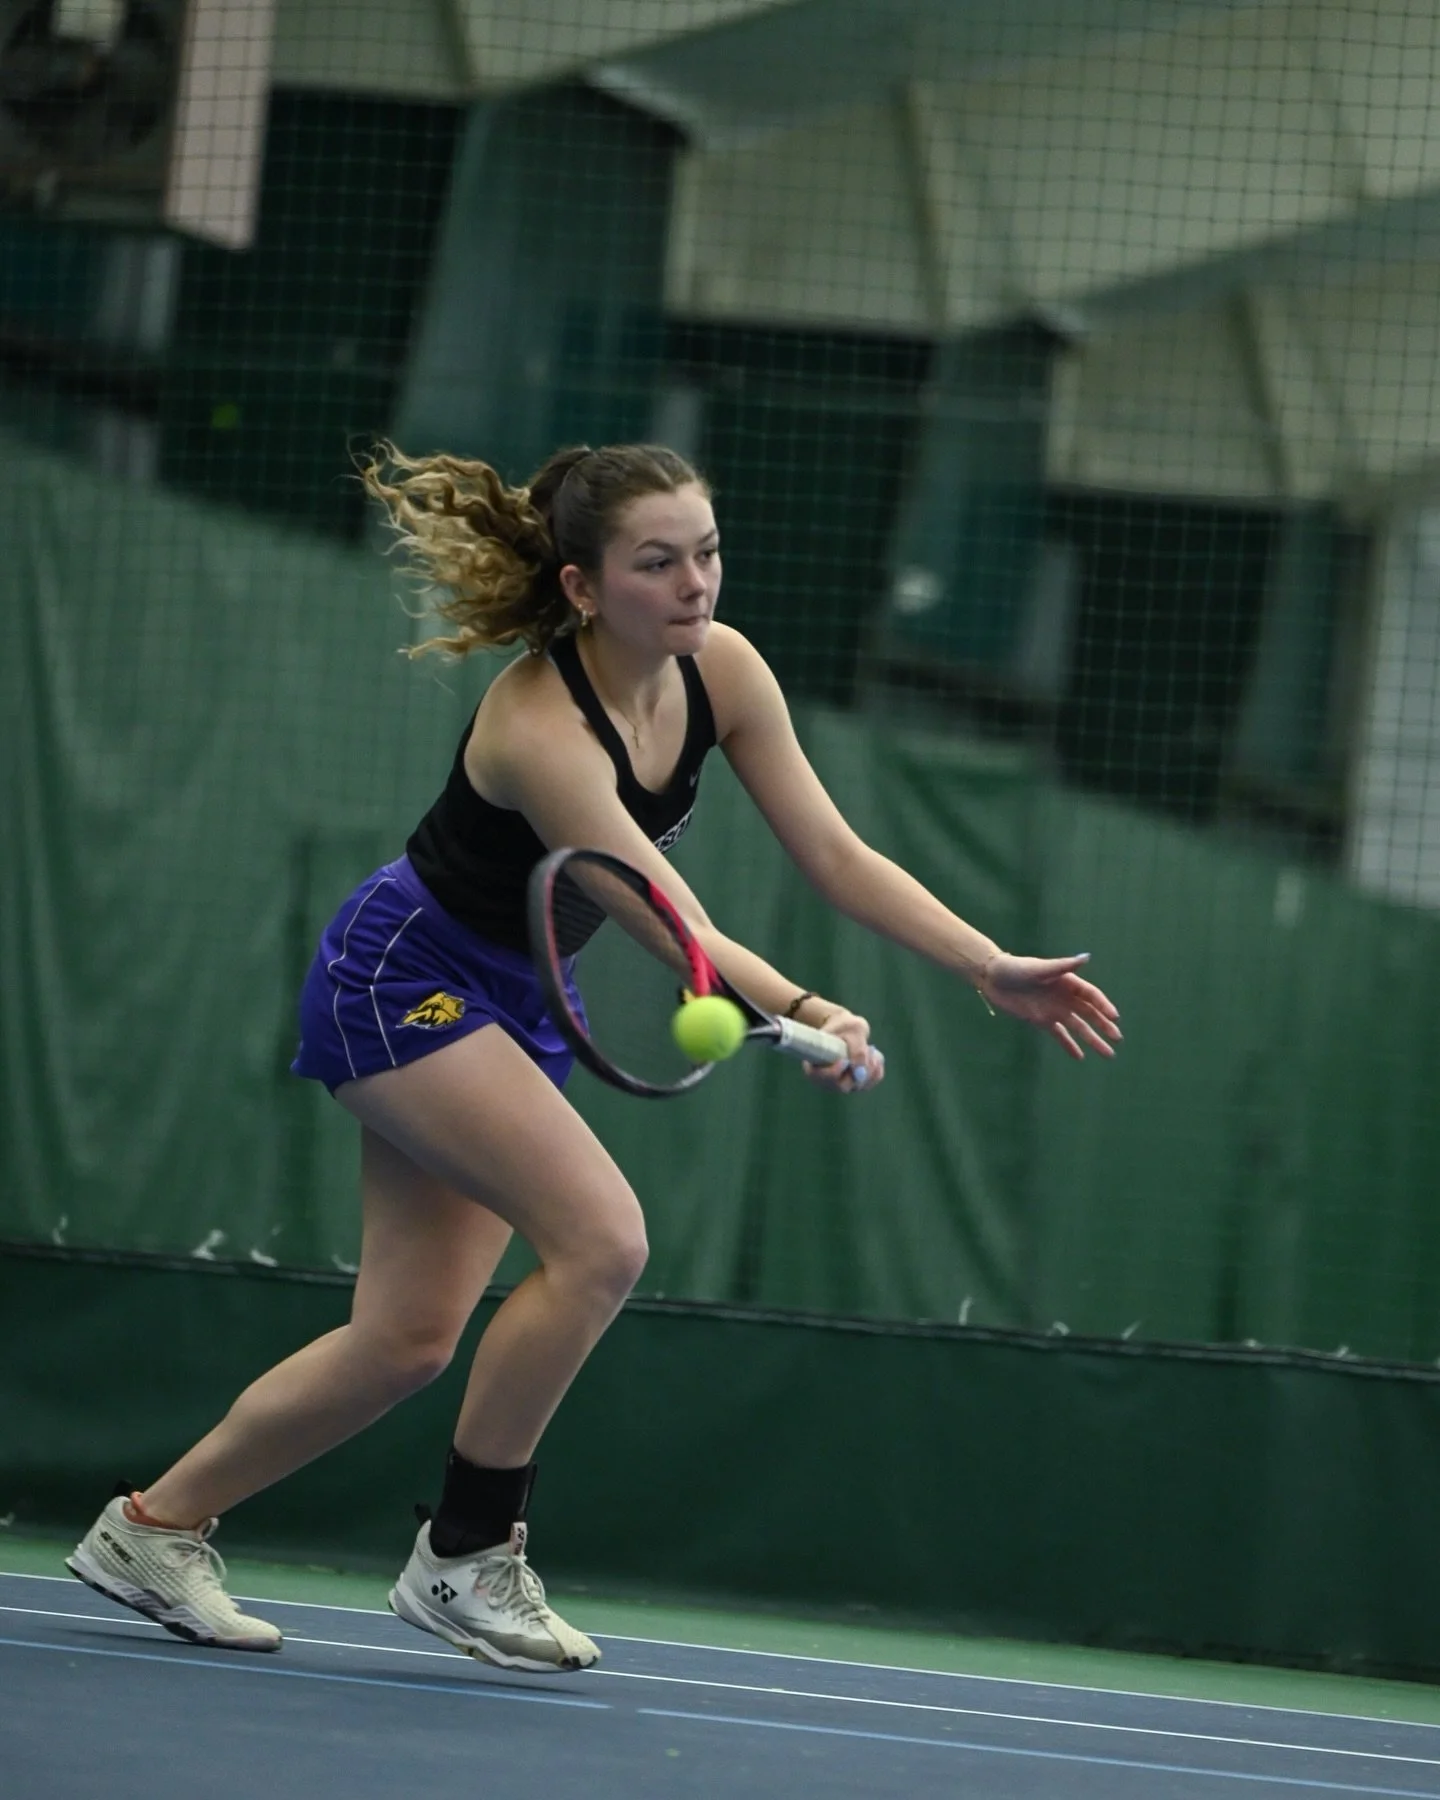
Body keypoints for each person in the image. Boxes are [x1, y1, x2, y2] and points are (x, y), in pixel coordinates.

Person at [67, 442, 1120, 1672]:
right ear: (583, 587)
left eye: (708, 553)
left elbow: (834, 855)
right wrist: (811, 1010)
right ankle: (466, 1555)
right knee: (605, 1239)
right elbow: (672, 925)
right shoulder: (536, 728)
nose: (695, 585)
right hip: (405, 980)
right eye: (657, 563)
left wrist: (987, 966)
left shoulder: (722, 672)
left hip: (523, 996)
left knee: (407, 1340)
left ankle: (152, 1529)